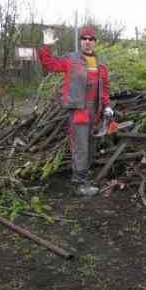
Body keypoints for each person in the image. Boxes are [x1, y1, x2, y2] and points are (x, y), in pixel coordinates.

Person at [38, 26, 113, 196]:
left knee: (91, 145)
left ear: (95, 42)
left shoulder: (101, 66)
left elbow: (105, 88)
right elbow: (49, 65)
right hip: (79, 109)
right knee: (81, 147)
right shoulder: (71, 60)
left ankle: (83, 176)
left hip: (96, 110)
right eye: (84, 39)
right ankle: (80, 183)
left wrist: (107, 106)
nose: (87, 42)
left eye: (90, 39)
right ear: (80, 41)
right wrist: (46, 47)